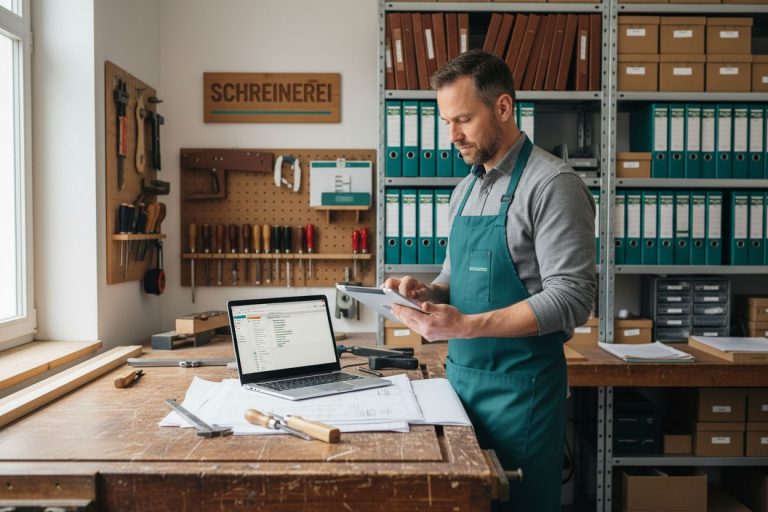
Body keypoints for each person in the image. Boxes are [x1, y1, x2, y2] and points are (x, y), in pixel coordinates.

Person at [384, 49, 596, 510]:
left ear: (502, 107)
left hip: (522, 394)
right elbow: (453, 276)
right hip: (461, 389)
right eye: (446, 122)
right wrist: (425, 293)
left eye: (462, 119)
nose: (452, 136)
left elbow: (573, 298)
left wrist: (462, 326)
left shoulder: (552, 184)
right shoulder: (465, 189)